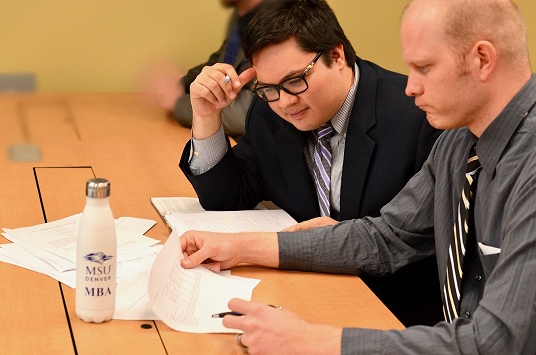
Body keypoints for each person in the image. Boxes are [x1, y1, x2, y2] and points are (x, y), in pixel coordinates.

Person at [179, 0, 536, 353]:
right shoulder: (461, 141)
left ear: (483, 60)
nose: (411, 88)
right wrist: (239, 247)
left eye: (424, 67)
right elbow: (386, 237)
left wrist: (312, 340)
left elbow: (498, 340)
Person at [179, 0, 443, 326]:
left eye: (296, 80)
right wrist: (206, 116)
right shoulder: (269, 110)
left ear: (337, 54)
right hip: (305, 295)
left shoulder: (418, 117)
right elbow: (226, 198)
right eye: (268, 89)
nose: (286, 101)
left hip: (391, 311)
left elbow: (425, 246)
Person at [146, 0, 264, 137]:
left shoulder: (283, 19)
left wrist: (178, 104)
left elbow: (252, 113)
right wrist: (180, 84)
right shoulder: (246, 12)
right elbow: (221, 61)